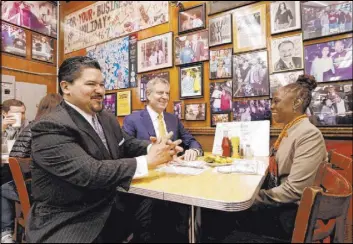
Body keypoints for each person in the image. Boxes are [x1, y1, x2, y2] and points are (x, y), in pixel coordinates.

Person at [25, 56, 183, 243]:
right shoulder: (50, 126)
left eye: (101, 84)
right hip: (71, 219)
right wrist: (148, 161)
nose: (99, 90)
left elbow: (127, 143)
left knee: (166, 217)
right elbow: (89, 172)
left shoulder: (106, 118)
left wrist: (155, 147)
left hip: (111, 206)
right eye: (91, 84)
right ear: (66, 87)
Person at [202, 75, 327, 242]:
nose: (271, 106)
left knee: (212, 214)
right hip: (279, 207)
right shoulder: (291, 129)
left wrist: (251, 198)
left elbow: (295, 191)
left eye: (276, 101)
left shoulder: (308, 134)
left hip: (288, 216)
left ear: (296, 104)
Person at [122, 77, 203, 242]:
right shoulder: (133, 119)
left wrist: (193, 150)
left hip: (174, 180)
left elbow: (191, 139)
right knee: (148, 229)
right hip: (148, 184)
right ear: (148, 94)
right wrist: (155, 148)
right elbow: (127, 147)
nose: (164, 97)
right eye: (160, 92)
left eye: (167, 93)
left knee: (180, 223)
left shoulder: (173, 119)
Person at [1, 94, 63, 244]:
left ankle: (7, 232)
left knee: (4, 187)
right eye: (17, 113)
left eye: (22, 112)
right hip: (59, 186)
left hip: (40, 188)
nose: (21, 116)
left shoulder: (30, 126)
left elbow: (15, 158)